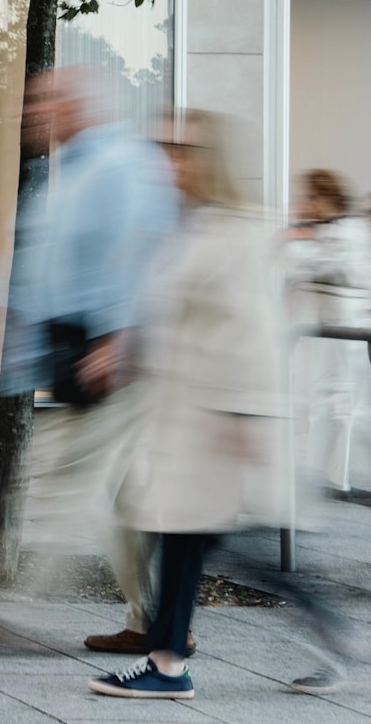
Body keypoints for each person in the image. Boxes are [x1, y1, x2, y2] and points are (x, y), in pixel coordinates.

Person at [89, 111, 297, 701]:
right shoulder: (186, 227)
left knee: (189, 538)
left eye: (181, 152)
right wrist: (121, 354)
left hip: (210, 420)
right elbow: (167, 313)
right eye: (164, 150)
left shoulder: (234, 232)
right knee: (179, 536)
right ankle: (167, 659)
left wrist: (242, 416)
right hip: (178, 419)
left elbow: (250, 333)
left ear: (210, 163)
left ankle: (171, 662)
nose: (168, 163)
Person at [6, 67, 182, 656]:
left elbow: (137, 252)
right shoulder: (74, 168)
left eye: (47, 102)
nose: (36, 113)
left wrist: (117, 338)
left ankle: (12, 608)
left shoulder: (119, 165)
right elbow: (49, 266)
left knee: (70, 481)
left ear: (78, 104)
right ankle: (151, 619)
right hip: (77, 350)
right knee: (124, 498)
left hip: (109, 353)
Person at [287, 169, 371, 494]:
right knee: (328, 402)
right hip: (327, 332)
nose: (303, 203)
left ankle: (339, 479)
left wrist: (298, 249)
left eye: (309, 197)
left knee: (341, 404)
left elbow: (322, 267)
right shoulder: (325, 231)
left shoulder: (348, 231)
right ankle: (326, 474)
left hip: (346, 332)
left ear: (327, 199)